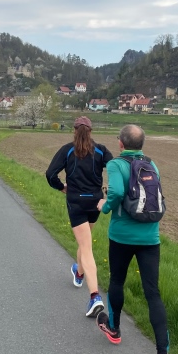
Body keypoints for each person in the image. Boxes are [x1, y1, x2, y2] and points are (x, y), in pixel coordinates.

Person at [96, 124, 173, 354]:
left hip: (122, 236)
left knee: (117, 280)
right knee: (153, 293)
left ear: (120, 143)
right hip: (150, 237)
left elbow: (117, 192)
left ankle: (114, 328)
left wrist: (105, 206)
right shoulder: (152, 165)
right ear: (142, 145)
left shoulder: (116, 165)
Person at [45, 116, 113, 317]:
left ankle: (95, 297)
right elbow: (116, 169)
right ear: (91, 131)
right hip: (95, 202)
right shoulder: (101, 150)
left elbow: (50, 174)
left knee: (86, 247)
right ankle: (79, 273)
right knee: (85, 243)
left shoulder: (67, 150)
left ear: (74, 130)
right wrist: (110, 192)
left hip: (76, 202)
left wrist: (61, 187)